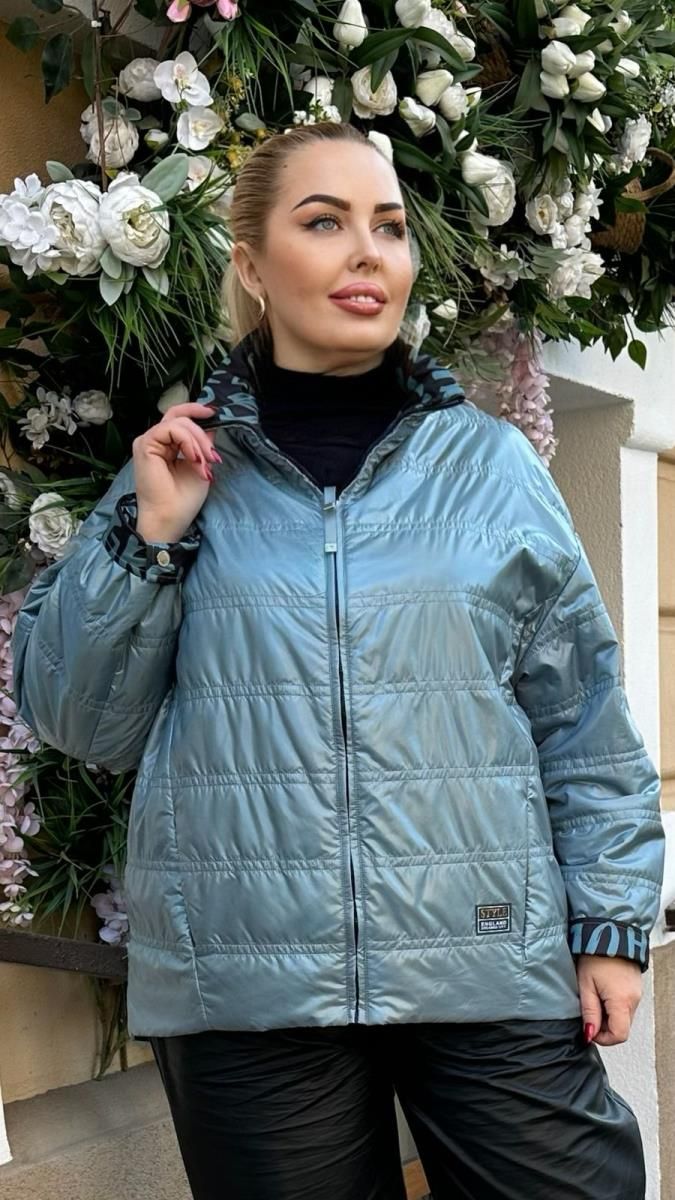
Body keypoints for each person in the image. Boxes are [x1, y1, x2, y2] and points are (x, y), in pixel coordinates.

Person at [11, 121, 665, 1200]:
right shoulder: (178, 473)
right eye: (324, 222)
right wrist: (153, 537)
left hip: (489, 956)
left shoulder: (491, 468)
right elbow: (80, 721)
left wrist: (608, 923)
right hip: (248, 982)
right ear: (252, 266)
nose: (368, 252)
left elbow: (581, 714)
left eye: (389, 227)